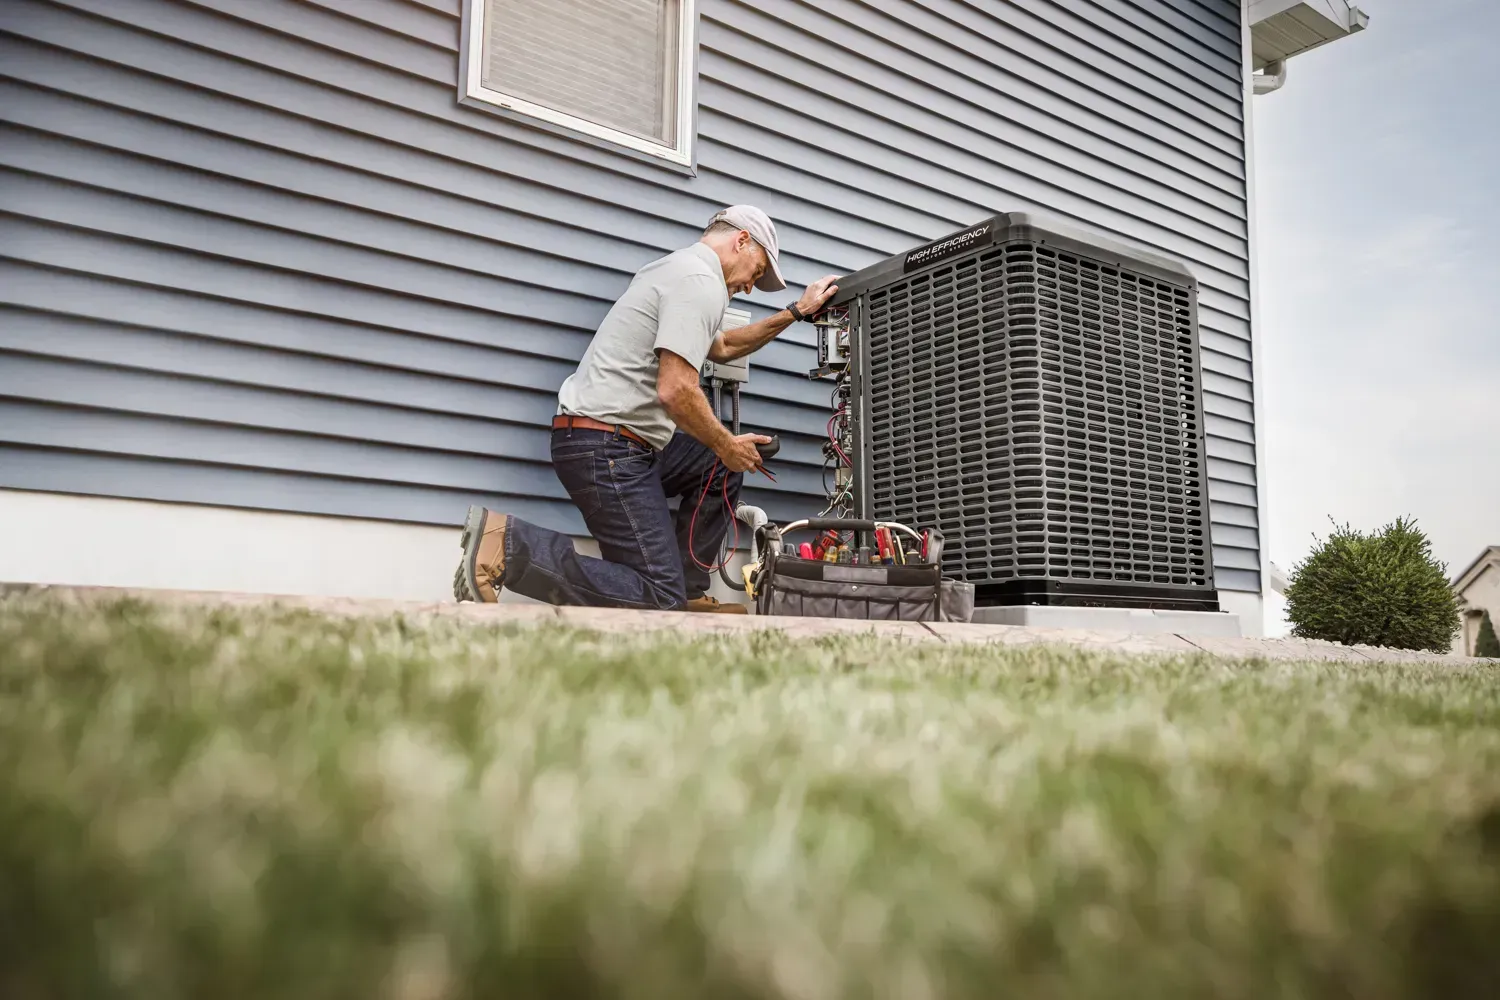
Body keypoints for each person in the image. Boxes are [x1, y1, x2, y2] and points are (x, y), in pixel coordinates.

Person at [453, 206, 840, 612]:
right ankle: (508, 545)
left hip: (613, 441)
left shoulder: (678, 269)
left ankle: (688, 590)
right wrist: (727, 443)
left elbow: (723, 346)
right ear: (741, 241)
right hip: (605, 448)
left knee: (720, 466)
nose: (749, 286)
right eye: (756, 271)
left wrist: (795, 312)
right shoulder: (698, 282)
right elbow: (675, 390)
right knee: (659, 596)